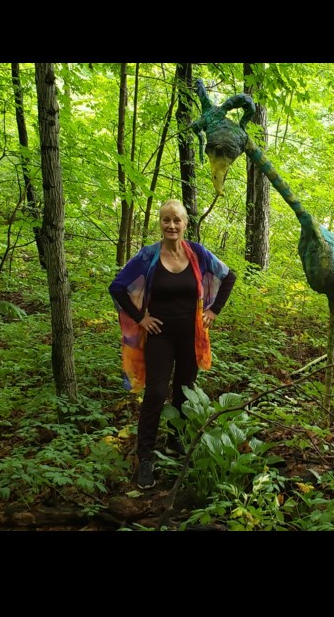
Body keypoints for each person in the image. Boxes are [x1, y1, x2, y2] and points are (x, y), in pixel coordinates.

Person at [109, 199, 236, 489]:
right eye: (166, 220)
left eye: (177, 220)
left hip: (191, 336)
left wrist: (214, 310)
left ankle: (175, 440)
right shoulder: (148, 257)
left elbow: (228, 276)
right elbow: (117, 287)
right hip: (160, 336)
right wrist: (140, 317)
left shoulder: (199, 254)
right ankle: (146, 459)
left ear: (185, 224)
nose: (171, 225)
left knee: (184, 391)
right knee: (155, 393)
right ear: (160, 223)